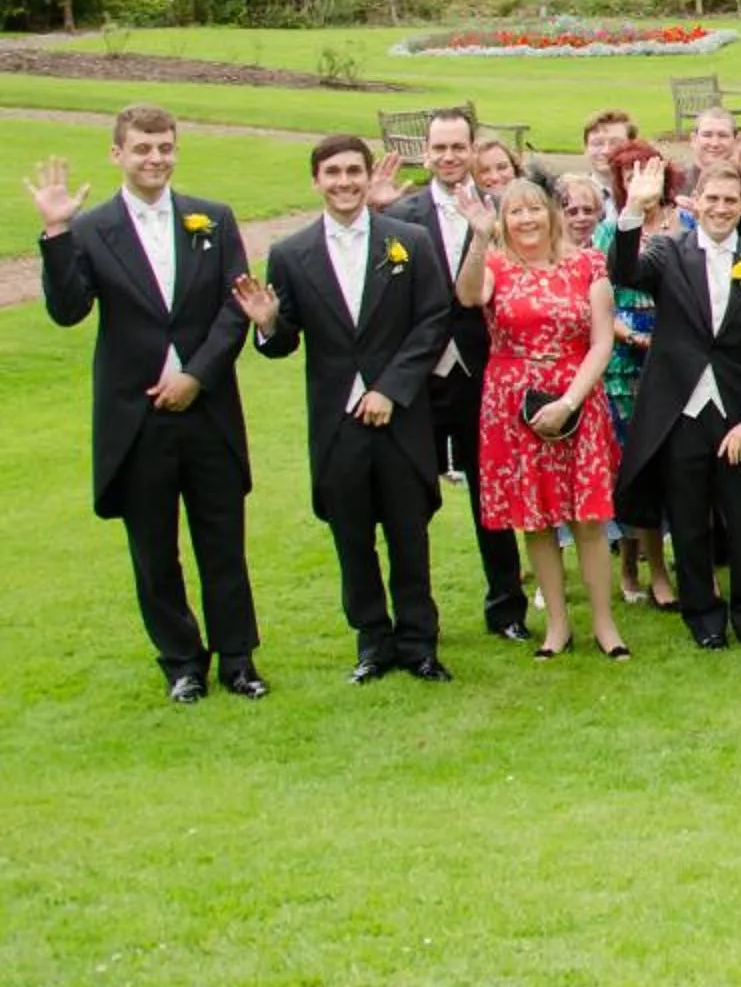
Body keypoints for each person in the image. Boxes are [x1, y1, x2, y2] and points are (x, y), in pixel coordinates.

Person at [30, 106, 262, 701]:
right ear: (118, 154)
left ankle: (237, 660)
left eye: (164, 147)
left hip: (207, 412)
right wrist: (56, 233)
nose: (155, 159)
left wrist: (197, 376)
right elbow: (68, 310)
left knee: (223, 542)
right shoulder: (91, 229)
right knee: (155, 551)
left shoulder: (212, 218)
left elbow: (235, 307)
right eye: (142, 149)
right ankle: (182, 663)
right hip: (136, 419)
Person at [236, 134, 455, 684]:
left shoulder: (409, 241)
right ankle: (372, 643)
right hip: (337, 421)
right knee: (352, 537)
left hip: (400, 415)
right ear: (316, 181)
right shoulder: (291, 253)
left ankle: (419, 643)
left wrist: (390, 389)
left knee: (409, 534)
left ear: (367, 176)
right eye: (332, 173)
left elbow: (433, 319)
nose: (344, 182)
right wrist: (268, 324)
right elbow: (285, 340)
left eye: (353, 171)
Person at [609, 159, 741, 651]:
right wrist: (633, 209)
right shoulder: (669, 252)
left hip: (737, 416)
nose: (721, 208)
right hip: (680, 412)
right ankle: (703, 617)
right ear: (697, 200)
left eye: (731, 200)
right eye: (713, 198)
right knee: (688, 521)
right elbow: (623, 271)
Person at [458, 179, 624, 660]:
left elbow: (601, 342)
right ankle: (557, 625)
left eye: (534, 209)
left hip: (577, 395)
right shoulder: (495, 266)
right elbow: (468, 297)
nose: (526, 219)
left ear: (551, 214)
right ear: (503, 221)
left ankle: (604, 624)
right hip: (514, 404)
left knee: (588, 519)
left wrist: (569, 402)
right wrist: (478, 238)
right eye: (515, 212)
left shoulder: (588, 263)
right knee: (536, 520)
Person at [397, 109, 530, 644]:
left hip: (484, 370)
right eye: (440, 147)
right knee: (411, 499)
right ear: (426, 153)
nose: (449, 157)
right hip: (420, 375)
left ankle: (507, 608)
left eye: (459, 147)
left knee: (490, 495)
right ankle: (417, 617)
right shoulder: (400, 216)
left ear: (474, 150)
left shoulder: (504, 210)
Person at [595, 141, 674, 612]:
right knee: (632, 465)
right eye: (627, 175)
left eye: (647, 172)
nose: (638, 181)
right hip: (624, 361)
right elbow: (603, 291)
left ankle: (678, 563)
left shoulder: (682, 224)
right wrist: (628, 334)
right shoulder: (611, 231)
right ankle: (636, 565)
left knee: (673, 464)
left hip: (674, 354)